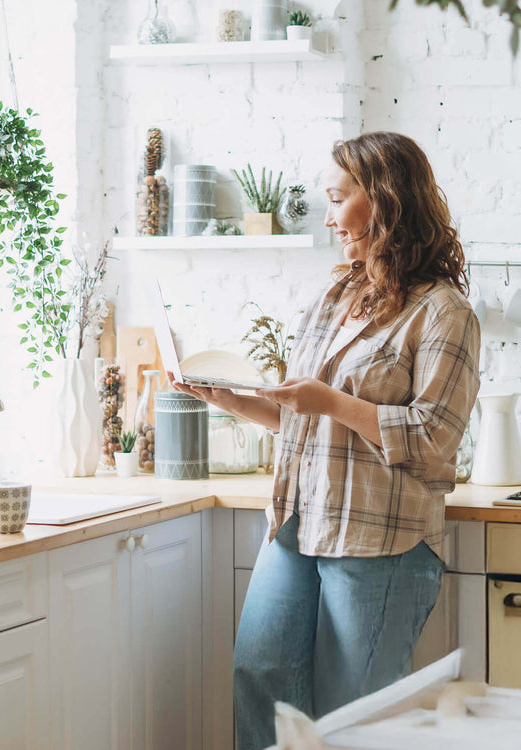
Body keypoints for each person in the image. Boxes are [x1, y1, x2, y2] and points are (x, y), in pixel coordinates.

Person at [168, 131, 481, 750]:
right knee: (260, 681)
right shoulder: (335, 295)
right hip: (297, 525)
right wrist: (236, 401)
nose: (330, 216)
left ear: (387, 200)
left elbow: (434, 439)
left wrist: (332, 401)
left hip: (380, 539)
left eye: (339, 200)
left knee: (354, 715)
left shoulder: (445, 312)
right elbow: (308, 424)